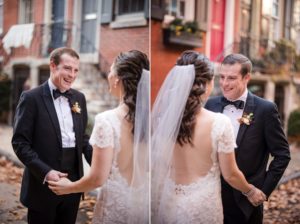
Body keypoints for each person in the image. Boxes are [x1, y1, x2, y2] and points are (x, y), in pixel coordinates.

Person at [151, 50, 266, 224]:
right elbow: (231, 175)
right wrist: (250, 191)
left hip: (169, 204)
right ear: (207, 83)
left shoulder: (164, 121)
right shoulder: (219, 123)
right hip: (202, 207)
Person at [48, 50, 150, 224]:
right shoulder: (153, 119)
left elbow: (97, 178)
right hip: (145, 206)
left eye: (110, 70)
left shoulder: (107, 120)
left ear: (117, 78)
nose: (108, 75)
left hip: (116, 206)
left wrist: (69, 188)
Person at [205, 53, 291, 224]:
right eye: (221, 77)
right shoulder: (211, 105)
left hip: (246, 202)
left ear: (247, 78)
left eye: (231, 78)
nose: (224, 83)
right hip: (210, 196)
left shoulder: (265, 109)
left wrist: (262, 190)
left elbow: (282, 155)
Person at [11, 47, 93, 224]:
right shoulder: (31, 98)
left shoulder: (79, 98)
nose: (72, 74)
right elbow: (20, 143)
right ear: (53, 66)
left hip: (73, 184)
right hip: (43, 185)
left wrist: (99, 162)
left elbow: (83, 138)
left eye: (76, 70)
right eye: (67, 68)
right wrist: (46, 172)